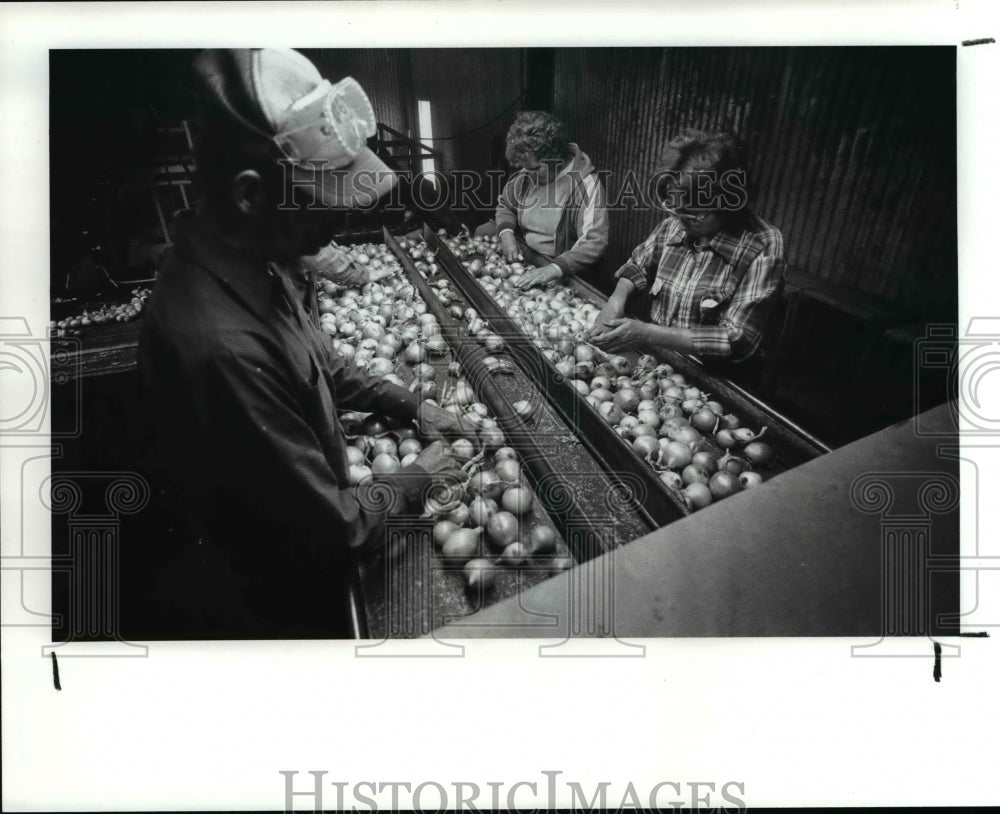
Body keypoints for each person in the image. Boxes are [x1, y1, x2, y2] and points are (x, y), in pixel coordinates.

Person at [137, 49, 464, 638]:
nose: (337, 222)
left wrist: (410, 403)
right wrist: (418, 475)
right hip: (276, 604)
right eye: (320, 203)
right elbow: (330, 531)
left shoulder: (254, 264)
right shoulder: (221, 345)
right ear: (249, 194)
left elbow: (319, 365)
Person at [589, 130, 785, 365]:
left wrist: (648, 333)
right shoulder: (677, 222)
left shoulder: (763, 244)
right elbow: (638, 264)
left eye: (693, 215)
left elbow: (737, 338)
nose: (680, 220)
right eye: (674, 209)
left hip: (715, 377)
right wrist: (615, 301)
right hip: (660, 361)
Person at [476, 111, 608, 289]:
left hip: (563, 268)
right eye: (526, 168)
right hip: (528, 258)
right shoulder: (527, 174)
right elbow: (506, 205)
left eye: (536, 168)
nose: (529, 174)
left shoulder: (586, 185)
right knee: (480, 231)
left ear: (556, 156)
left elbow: (594, 241)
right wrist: (506, 234)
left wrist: (554, 269)